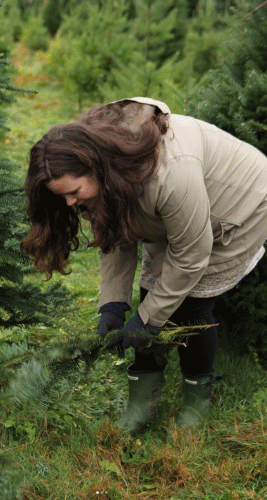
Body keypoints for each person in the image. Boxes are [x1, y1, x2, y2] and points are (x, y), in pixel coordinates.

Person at [20, 97, 267, 433]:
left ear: (95, 166)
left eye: (75, 192)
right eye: (62, 197)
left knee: (192, 307)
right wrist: (113, 305)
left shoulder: (170, 174)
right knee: (151, 293)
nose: (70, 203)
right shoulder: (107, 173)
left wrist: (147, 321)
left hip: (238, 206)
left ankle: (197, 403)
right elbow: (115, 235)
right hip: (177, 211)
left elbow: (191, 256)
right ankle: (141, 405)